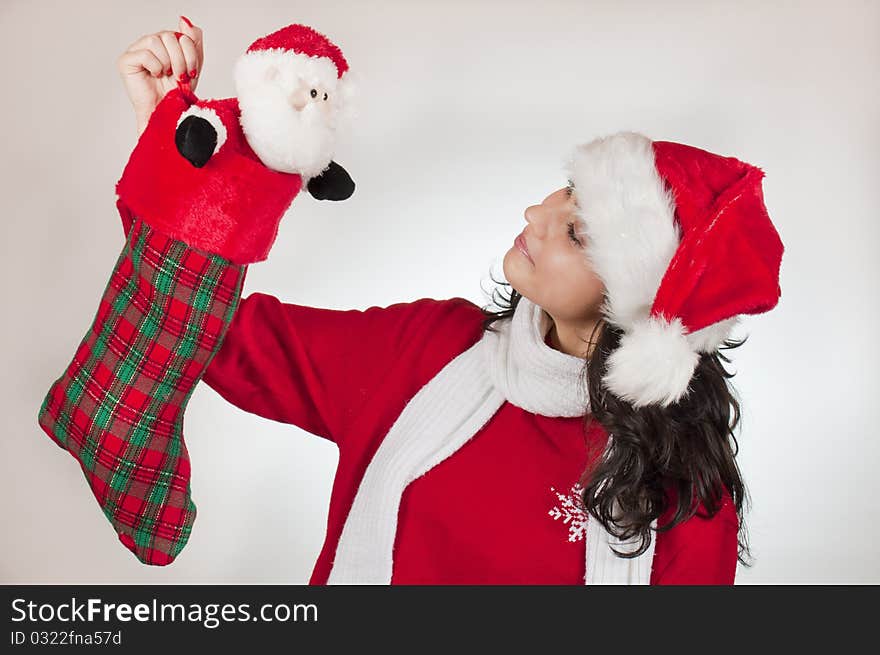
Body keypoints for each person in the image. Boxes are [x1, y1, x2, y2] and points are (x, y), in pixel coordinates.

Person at [40, 16, 784, 585]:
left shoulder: (682, 492)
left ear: (642, 304)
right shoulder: (432, 348)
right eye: (561, 192)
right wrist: (181, 168)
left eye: (577, 229)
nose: (533, 215)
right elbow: (206, 330)